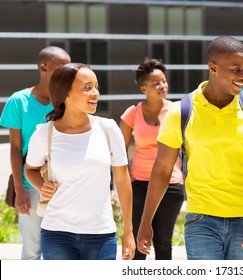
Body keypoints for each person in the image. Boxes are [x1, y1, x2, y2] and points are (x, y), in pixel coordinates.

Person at [137, 36, 243, 260]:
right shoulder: (181, 111)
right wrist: (145, 223)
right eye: (237, 69)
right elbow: (162, 169)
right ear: (213, 68)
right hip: (201, 220)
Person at [24, 63, 136, 260]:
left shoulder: (108, 129)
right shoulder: (44, 133)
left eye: (96, 86)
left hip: (101, 235)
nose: (96, 94)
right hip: (56, 233)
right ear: (65, 92)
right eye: (87, 87)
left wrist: (128, 229)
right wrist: (43, 187)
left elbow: (122, 179)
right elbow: (30, 169)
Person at [0, 46, 70, 260]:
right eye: (62, 67)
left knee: (60, 252)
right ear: (43, 68)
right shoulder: (18, 101)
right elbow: (14, 147)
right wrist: (19, 189)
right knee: (32, 251)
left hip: (64, 186)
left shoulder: (67, 101)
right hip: (30, 187)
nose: (67, 72)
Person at [119, 58, 184, 260]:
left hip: (171, 183)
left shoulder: (177, 111)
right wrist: (123, 182)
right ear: (143, 88)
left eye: (163, 81)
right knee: (139, 245)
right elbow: (119, 151)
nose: (162, 86)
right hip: (140, 184)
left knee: (164, 244)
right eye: (156, 83)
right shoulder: (132, 113)